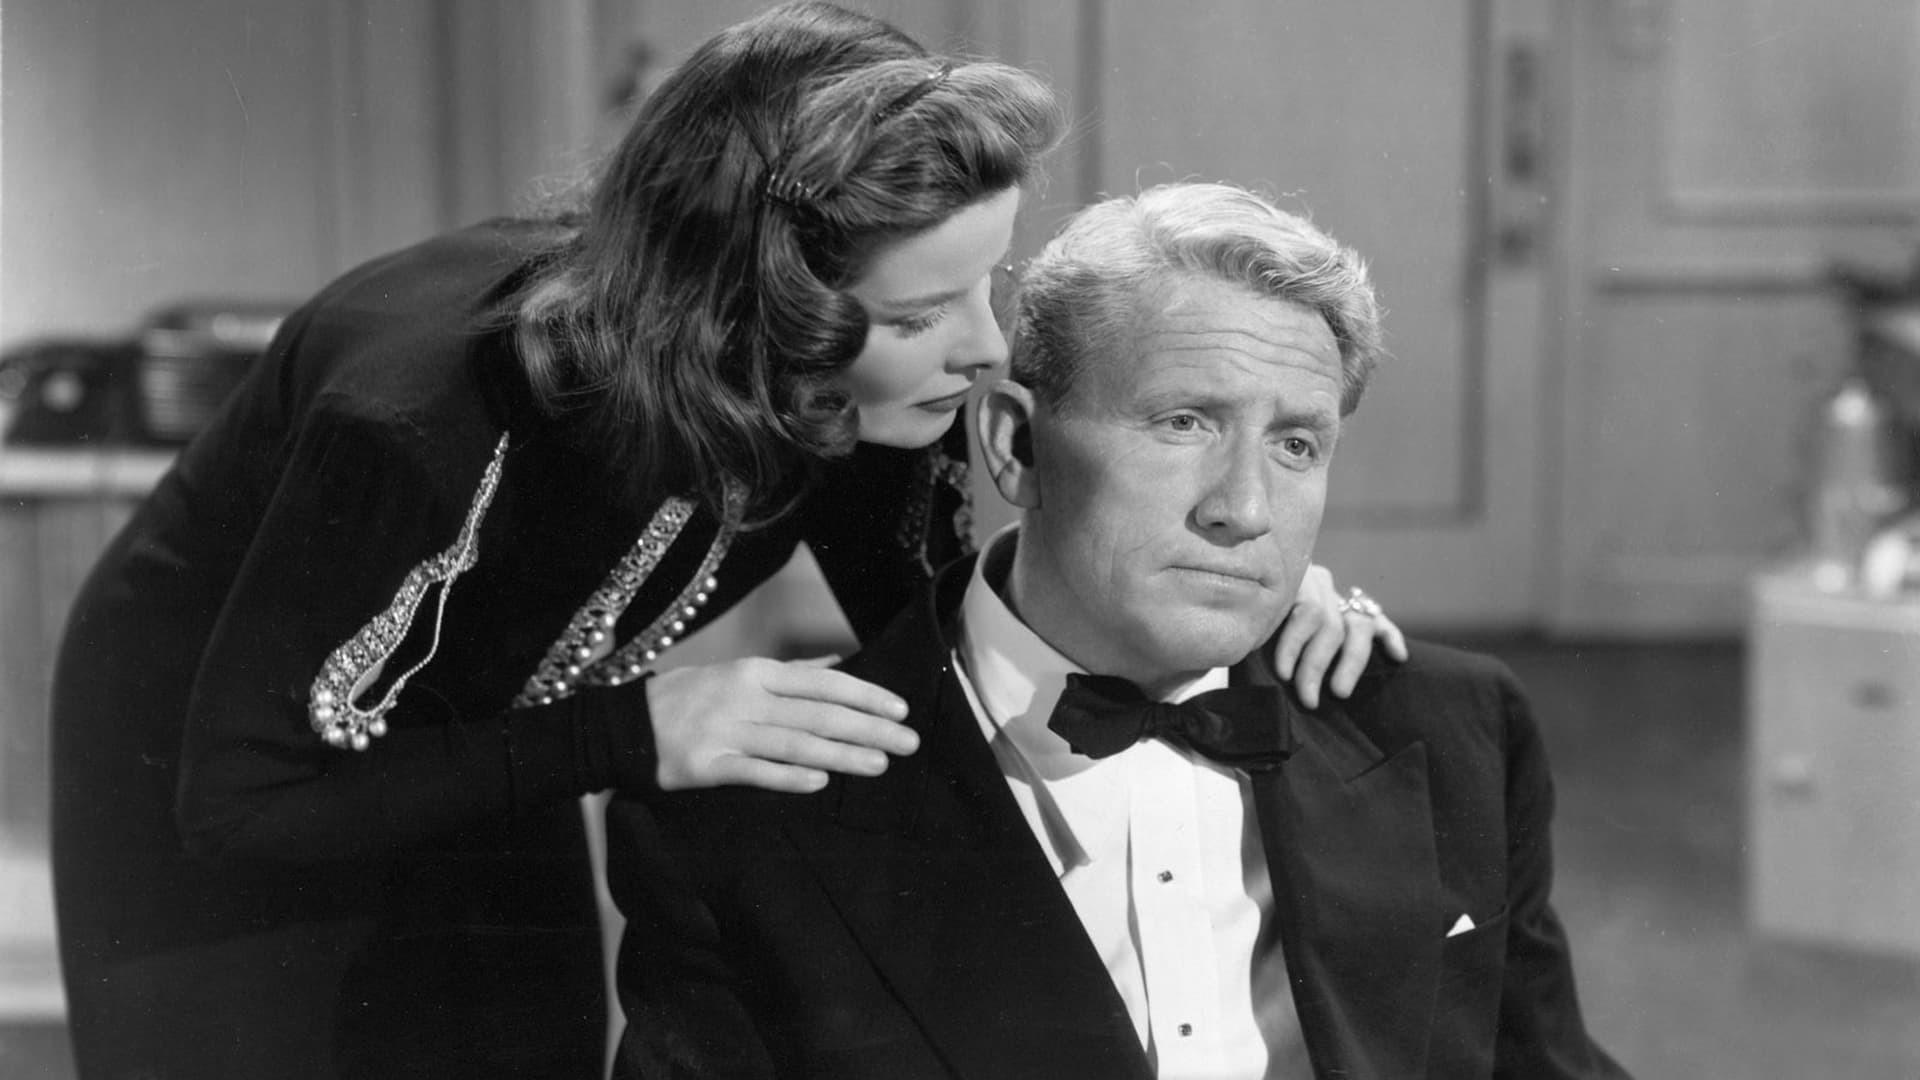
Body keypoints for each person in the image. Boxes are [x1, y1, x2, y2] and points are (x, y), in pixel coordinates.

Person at [47, 6, 1402, 1078]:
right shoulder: (414, 419)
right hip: (228, 760)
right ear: (760, 313)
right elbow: (242, 800)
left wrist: (1231, 594)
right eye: (922, 314)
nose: (985, 347)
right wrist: (634, 734)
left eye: (984, 282)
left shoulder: (877, 386)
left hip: (511, 727)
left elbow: (938, 647)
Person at [607, 181, 1629, 1079]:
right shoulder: (746, 824)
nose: (1244, 509)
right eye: (1183, 423)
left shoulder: (1450, 727)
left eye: (1296, 444)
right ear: (1016, 445)